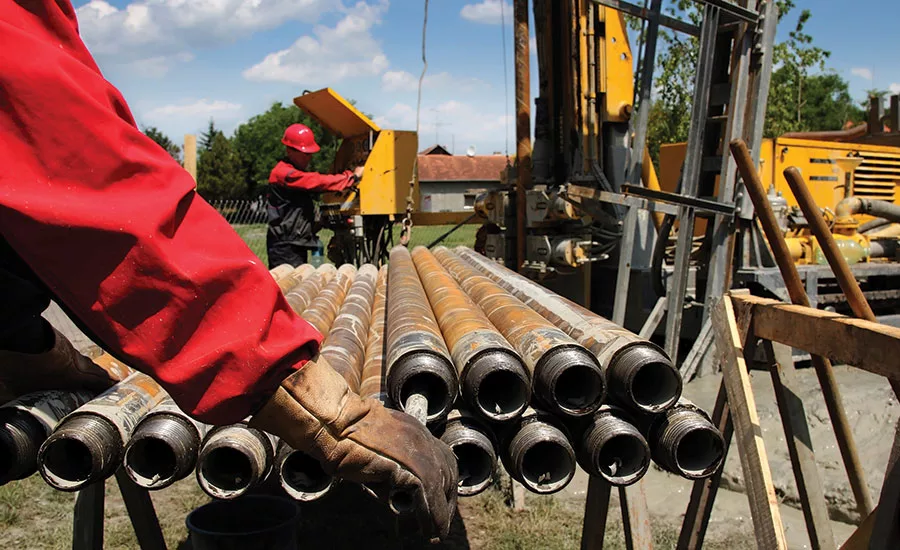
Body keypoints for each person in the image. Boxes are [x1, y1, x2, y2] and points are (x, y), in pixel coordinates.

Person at [0, 0, 457, 541]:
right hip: (285, 246)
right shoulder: (286, 169)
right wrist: (323, 407)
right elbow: (86, 181)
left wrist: (18, 336)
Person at [266, 124, 363, 268]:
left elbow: (294, 211)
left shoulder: (290, 172)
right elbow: (316, 181)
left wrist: (319, 222)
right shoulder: (284, 173)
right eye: (305, 154)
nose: (309, 158)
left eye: (310, 153)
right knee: (290, 286)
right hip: (285, 246)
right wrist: (352, 177)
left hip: (292, 242)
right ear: (289, 150)